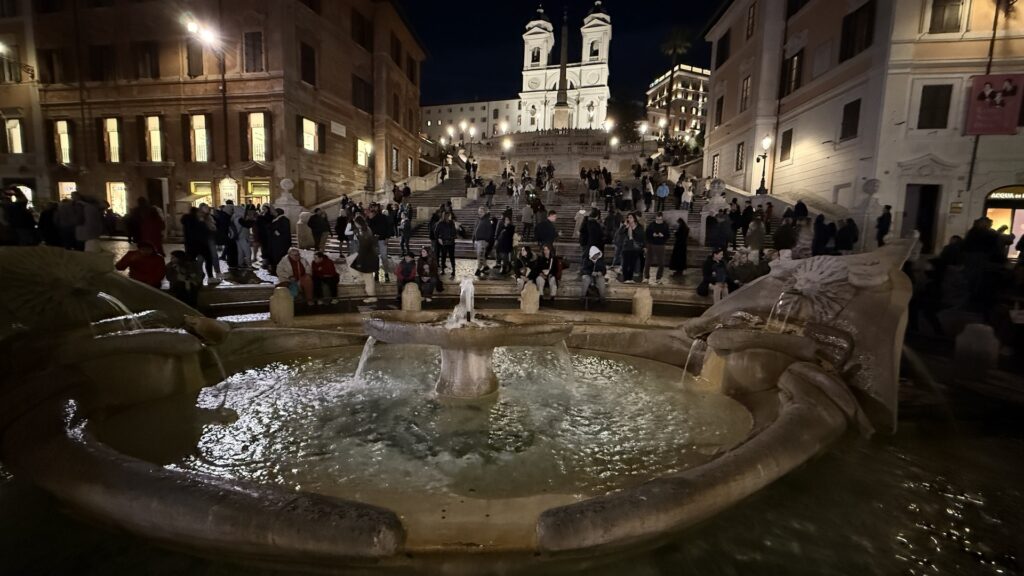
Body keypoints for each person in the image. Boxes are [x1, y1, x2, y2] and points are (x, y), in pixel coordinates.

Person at [350, 217, 379, 303]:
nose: (355, 225)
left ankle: (372, 297)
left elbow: (363, 248)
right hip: (370, 256)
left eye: (355, 223)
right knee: (368, 277)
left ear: (358, 223)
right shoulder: (366, 229)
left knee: (368, 279)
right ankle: (360, 279)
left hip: (367, 258)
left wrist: (359, 262)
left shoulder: (364, 232)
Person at [644, 211, 670, 284]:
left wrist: (663, 235)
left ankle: (658, 278)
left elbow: (668, 235)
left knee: (661, 262)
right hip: (651, 244)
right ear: (656, 218)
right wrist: (652, 234)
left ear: (662, 218)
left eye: (660, 220)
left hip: (660, 245)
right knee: (648, 262)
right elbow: (646, 234)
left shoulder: (665, 225)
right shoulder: (652, 224)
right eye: (657, 219)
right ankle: (646, 277)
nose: (658, 221)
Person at [619, 212, 645, 283]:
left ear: (634, 219)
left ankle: (630, 279)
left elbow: (641, 237)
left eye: (630, 217)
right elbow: (619, 233)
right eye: (628, 217)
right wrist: (624, 226)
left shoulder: (639, 227)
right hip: (626, 247)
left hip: (635, 248)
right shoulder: (626, 226)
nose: (629, 219)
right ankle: (625, 278)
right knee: (625, 264)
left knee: (632, 264)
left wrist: (632, 231)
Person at [434, 211, 457, 278]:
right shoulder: (440, 223)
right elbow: (436, 233)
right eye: (449, 215)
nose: (450, 217)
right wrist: (439, 238)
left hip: (451, 242)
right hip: (444, 243)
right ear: (445, 216)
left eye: (450, 215)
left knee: (452, 257)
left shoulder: (451, 223)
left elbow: (454, 231)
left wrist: (453, 236)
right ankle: (443, 270)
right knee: (443, 257)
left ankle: (454, 270)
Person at [472, 207, 493, 278]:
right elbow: (475, 230)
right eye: (479, 211)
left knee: (480, 256)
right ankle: (486, 267)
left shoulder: (487, 221)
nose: (480, 213)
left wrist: (487, 241)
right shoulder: (479, 220)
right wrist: (473, 239)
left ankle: (478, 269)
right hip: (477, 241)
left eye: (481, 211)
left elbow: (490, 232)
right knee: (480, 256)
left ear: (484, 212)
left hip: (483, 241)